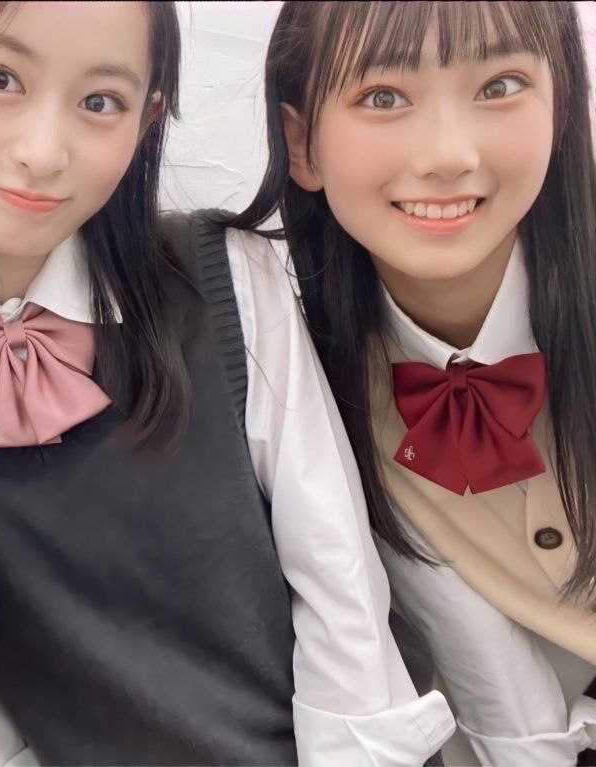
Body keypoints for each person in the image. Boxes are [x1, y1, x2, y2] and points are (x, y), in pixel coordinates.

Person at [0, 2, 454, 764]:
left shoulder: (223, 279)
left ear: (147, 118)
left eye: (99, 101)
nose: (42, 152)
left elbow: (339, 583)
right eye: (0, 78)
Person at [231, 1, 596, 764]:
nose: (447, 154)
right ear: (302, 144)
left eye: (499, 86)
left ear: (562, 104)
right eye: (384, 96)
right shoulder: (298, 392)